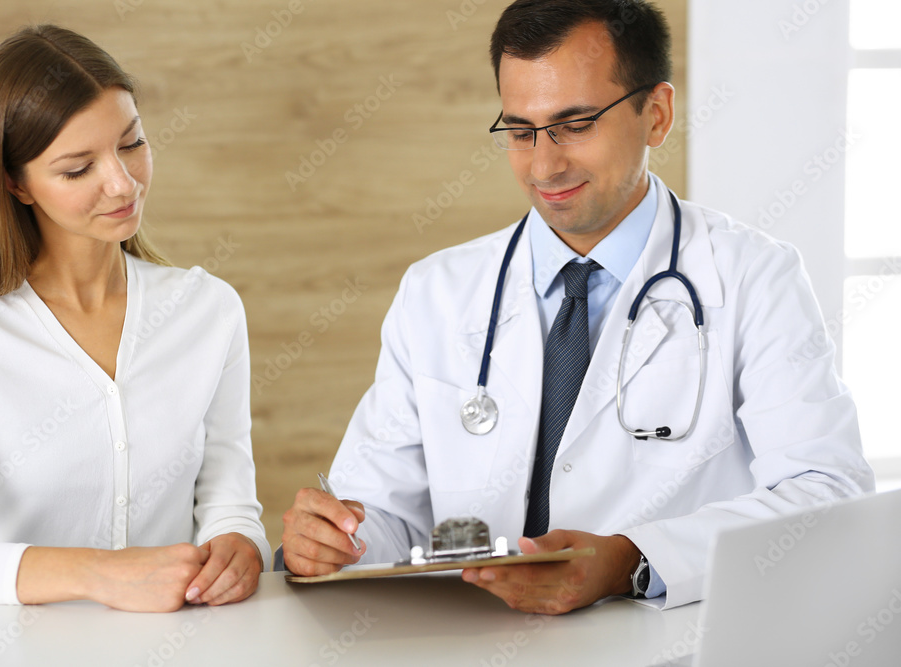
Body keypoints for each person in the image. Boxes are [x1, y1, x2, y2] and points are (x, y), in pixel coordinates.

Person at [281, 0, 874, 613]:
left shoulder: (754, 277)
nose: (544, 164)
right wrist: (338, 540)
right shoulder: (436, 292)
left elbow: (827, 491)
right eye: (520, 130)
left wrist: (633, 559)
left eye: (577, 123)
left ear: (657, 115)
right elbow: (384, 516)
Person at [0, 25, 268, 610]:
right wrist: (98, 574)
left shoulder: (208, 310)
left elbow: (228, 497)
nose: (123, 183)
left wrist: (239, 542)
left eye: (132, 143)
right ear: (14, 184)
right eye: (78, 169)